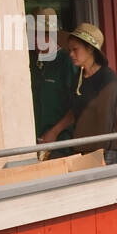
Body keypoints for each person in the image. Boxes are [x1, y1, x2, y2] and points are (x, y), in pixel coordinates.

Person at [37, 23, 117, 164]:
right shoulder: (79, 77)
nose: (71, 54)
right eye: (70, 50)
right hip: (81, 151)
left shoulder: (107, 78)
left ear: (90, 49)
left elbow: (104, 121)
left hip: (103, 153)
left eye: (75, 49)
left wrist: (90, 156)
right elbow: (75, 111)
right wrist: (55, 131)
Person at [29, 8, 75, 146]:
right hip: (36, 140)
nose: (32, 41)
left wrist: (55, 132)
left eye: (36, 36)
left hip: (63, 141)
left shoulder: (68, 62)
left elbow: (78, 106)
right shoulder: (33, 60)